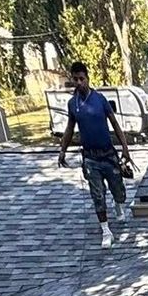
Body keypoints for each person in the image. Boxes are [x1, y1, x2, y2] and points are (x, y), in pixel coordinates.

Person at [56, 62, 134, 248]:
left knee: (118, 189)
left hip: (108, 154)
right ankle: (106, 231)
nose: (79, 82)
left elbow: (114, 124)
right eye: (75, 79)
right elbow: (69, 129)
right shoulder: (72, 104)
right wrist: (62, 150)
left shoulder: (99, 100)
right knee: (97, 194)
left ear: (88, 78)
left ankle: (118, 203)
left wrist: (125, 148)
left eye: (81, 78)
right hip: (91, 158)